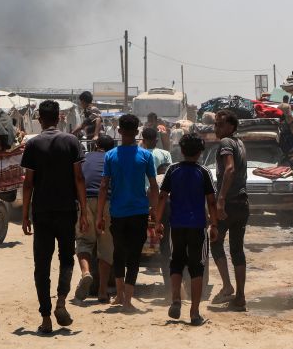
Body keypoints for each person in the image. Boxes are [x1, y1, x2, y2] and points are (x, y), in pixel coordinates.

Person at [21, 100, 88, 334]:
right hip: (67, 211)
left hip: (41, 212)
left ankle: (46, 317)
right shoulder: (71, 141)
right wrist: (85, 211)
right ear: (59, 117)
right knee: (67, 259)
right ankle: (61, 301)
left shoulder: (33, 145)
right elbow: (79, 178)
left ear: (40, 119)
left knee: (42, 265)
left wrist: (24, 214)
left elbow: (28, 183)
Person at [155, 133, 219, 326]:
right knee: (197, 267)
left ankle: (176, 299)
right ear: (200, 152)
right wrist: (214, 224)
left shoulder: (172, 170)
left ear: (181, 151)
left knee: (176, 262)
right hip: (198, 226)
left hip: (176, 225)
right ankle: (194, 313)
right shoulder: (204, 171)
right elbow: (211, 201)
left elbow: (162, 196)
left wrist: (158, 221)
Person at [96, 113, 158, 311]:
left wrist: (99, 215)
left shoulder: (110, 156)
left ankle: (120, 295)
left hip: (118, 213)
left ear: (120, 131)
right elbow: (154, 187)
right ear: (137, 131)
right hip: (139, 212)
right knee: (133, 256)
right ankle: (128, 300)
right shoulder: (145, 155)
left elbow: (104, 186)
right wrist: (155, 210)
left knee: (119, 253)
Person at [210, 109, 249, 311]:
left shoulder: (226, 143)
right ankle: (240, 296)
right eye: (216, 124)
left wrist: (221, 199)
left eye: (220, 124)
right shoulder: (240, 143)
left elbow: (230, 169)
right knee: (237, 250)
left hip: (230, 202)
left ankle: (227, 286)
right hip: (242, 203)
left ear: (231, 126)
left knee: (215, 240)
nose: (216, 127)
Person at [73, 134, 115, 303]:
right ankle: (103, 292)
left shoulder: (85, 158)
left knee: (84, 240)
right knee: (106, 246)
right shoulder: (113, 158)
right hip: (107, 201)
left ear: (96, 145)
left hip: (84, 199)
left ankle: (85, 273)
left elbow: (77, 179)